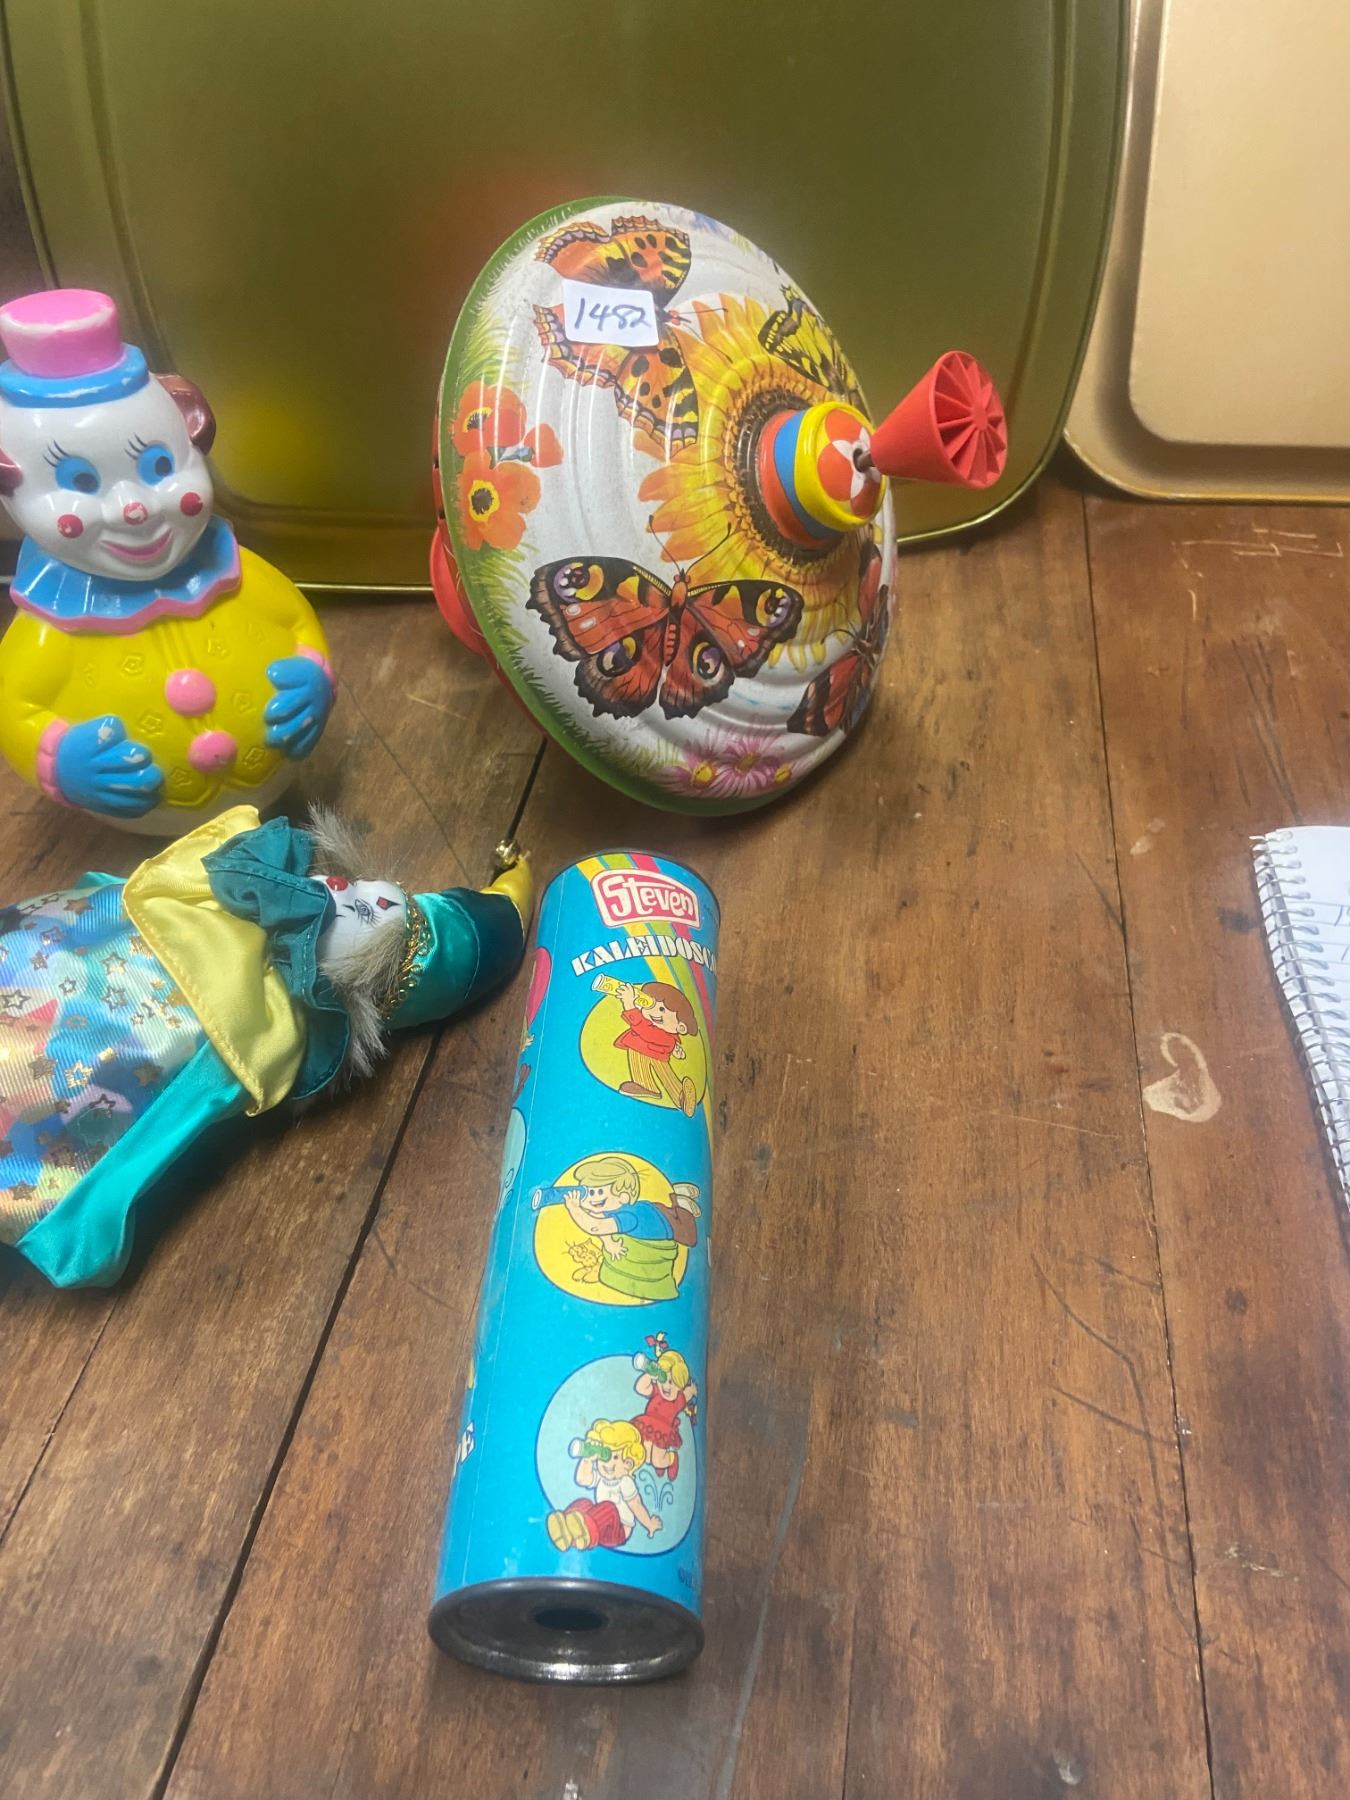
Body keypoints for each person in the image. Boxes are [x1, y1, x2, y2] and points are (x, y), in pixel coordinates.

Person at [531, 1155, 701, 1302]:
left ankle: (681, 1202)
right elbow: (601, 1222)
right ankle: (677, 1200)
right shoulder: (613, 1209)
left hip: (668, 1224)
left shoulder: (630, 1217)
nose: (592, 1198)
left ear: (623, 1197)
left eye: (599, 1192)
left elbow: (596, 1227)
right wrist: (609, 1243)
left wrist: (574, 1208)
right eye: (589, 1192)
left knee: (688, 1235)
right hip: (653, 1213)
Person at [546, 1419, 663, 1551]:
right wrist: (588, 1459)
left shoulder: (625, 1482)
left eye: (615, 1457)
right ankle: (565, 1531)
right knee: (584, 1503)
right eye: (604, 1457)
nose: (608, 1464)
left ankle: (584, 1532)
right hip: (600, 1527)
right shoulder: (601, 1478)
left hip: (617, 1532)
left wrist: (649, 1524)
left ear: (628, 1463)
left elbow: (636, 1505)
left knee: (609, 1508)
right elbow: (582, 1479)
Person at [610, 979, 699, 1115]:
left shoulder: (665, 1036)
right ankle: (652, 1087)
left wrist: (630, 1006)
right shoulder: (665, 1036)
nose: (652, 1010)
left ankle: (678, 1096)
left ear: (680, 1027)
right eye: (650, 1004)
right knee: (655, 1069)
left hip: (651, 1053)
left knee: (665, 1075)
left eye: (661, 1009)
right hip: (647, 1051)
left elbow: (647, 1032)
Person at [631, 1336, 698, 1481]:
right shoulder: (656, 1392)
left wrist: (692, 1390)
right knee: (644, 1454)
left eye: (672, 1382)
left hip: (663, 1431)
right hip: (648, 1426)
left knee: (657, 1460)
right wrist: (650, 1374)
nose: (666, 1386)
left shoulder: (677, 1400)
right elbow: (640, 1387)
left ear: (679, 1385)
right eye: (664, 1380)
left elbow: (687, 1394)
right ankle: (660, 1464)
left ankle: (671, 1458)